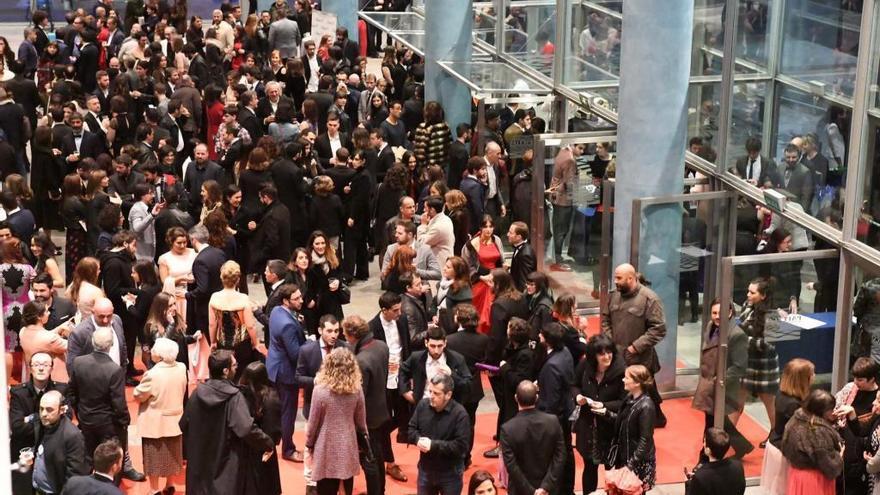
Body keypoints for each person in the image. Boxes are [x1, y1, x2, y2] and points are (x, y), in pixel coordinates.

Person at [180, 350, 275, 495]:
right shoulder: (234, 398)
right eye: (235, 365)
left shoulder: (196, 394)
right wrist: (268, 443)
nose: (237, 368)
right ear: (225, 371)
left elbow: (184, 425)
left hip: (199, 465)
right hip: (225, 467)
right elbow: (246, 429)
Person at [67, 327, 142, 480]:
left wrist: (79, 412)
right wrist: (124, 421)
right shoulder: (114, 370)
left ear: (92, 342)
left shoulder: (78, 362)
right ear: (111, 344)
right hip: (108, 424)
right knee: (111, 461)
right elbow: (118, 402)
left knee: (87, 457)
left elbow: (72, 392)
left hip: (86, 418)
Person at [601, 263, 667, 426]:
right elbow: (605, 319)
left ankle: (653, 419)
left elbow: (658, 329)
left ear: (631, 278)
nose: (615, 281)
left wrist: (635, 347)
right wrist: (612, 340)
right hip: (617, 354)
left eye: (619, 278)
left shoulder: (649, 299)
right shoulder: (613, 296)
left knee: (644, 392)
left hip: (640, 358)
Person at [692, 298, 753, 459]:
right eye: (714, 313)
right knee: (713, 419)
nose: (717, 316)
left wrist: (719, 381)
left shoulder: (737, 335)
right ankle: (740, 447)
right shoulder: (711, 326)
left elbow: (739, 366)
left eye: (721, 312)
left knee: (713, 421)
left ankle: (706, 453)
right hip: (709, 383)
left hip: (721, 385)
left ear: (731, 312)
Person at [305, 348, 369, 495]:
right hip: (348, 446)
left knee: (325, 489)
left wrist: (309, 444)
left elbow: (313, 423)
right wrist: (365, 442)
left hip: (325, 448)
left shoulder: (320, 390)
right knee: (346, 488)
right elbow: (361, 422)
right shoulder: (356, 390)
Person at [572, 334, 627, 493]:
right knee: (589, 467)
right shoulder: (585, 365)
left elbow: (623, 402)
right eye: (601, 353)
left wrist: (603, 405)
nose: (606, 356)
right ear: (593, 355)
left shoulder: (621, 370)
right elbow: (573, 385)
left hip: (610, 428)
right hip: (588, 427)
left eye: (609, 352)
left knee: (612, 470)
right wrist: (578, 397)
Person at [133, 338, 187, 495]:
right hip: (175, 419)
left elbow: (138, 395)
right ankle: (170, 485)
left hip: (155, 423)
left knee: (153, 458)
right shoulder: (181, 367)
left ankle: (154, 489)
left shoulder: (153, 374)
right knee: (172, 455)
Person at [342, 314, 388, 495]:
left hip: (367, 418)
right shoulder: (382, 346)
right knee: (378, 456)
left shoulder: (360, 361)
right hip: (382, 409)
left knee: (369, 460)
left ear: (353, 335)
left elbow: (358, 395)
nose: (345, 339)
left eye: (346, 335)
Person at [10, 352, 69, 494]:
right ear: (30, 368)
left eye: (45, 365)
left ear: (51, 368)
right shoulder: (19, 393)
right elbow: (17, 427)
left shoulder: (61, 390)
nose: (41, 368)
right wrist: (51, 417)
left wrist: (30, 418)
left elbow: (68, 419)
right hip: (24, 451)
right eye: (37, 365)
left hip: (52, 451)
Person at [407, 373, 471, 495]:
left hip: (450, 473)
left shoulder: (460, 414)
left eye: (436, 393)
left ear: (448, 395)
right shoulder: (422, 405)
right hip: (426, 469)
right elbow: (411, 429)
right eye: (430, 391)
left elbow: (461, 447)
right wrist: (417, 440)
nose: (431, 396)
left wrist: (433, 445)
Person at [500, 380, 566, 495]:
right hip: (549, 490)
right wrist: (546, 486)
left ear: (516, 398)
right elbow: (560, 456)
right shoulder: (553, 421)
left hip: (520, 491)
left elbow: (511, 466)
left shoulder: (507, 429)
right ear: (536, 398)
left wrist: (531, 491)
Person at [761, 358, 814, 495]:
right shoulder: (793, 405)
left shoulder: (783, 394)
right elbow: (800, 435)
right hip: (783, 450)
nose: (814, 376)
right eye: (812, 373)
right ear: (803, 379)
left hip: (777, 444)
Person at [601, 364, 657, 492]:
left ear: (637, 383)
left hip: (637, 462)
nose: (623, 380)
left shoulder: (646, 406)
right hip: (625, 457)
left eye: (627, 378)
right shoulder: (629, 398)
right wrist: (606, 413)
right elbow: (624, 421)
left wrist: (630, 465)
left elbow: (645, 440)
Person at [266, 283, 306, 462]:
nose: (301, 300)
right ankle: (288, 449)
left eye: (300, 296)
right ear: (285, 301)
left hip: (274, 365)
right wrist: (310, 346)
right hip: (286, 372)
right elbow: (296, 354)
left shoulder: (276, 311)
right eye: (296, 299)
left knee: (280, 408)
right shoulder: (288, 325)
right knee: (288, 412)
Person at [445, 304, 489, 466]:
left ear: (458, 319)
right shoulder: (483, 339)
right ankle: (466, 457)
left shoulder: (449, 340)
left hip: (455, 386)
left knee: (452, 422)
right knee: (469, 423)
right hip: (473, 388)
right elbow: (484, 360)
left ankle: (453, 456)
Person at [739, 277, 780, 447]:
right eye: (748, 291)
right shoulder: (747, 307)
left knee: (769, 404)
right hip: (748, 363)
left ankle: (776, 434)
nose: (748, 295)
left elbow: (770, 345)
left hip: (765, 366)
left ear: (763, 296)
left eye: (752, 292)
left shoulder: (773, 316)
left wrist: (743, 340)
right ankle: (726, 436)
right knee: (737, 401)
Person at [209, 261, 265, 380]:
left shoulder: (214, 297)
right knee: (241, 375)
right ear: (238, 279)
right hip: (242, 345)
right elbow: (250, 326)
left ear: (222, 278)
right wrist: (256, 343)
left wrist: (213, 342)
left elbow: (212, 324)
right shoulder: (243, 298)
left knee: (224, 373)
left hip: (222, 343)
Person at [781, 389, 844, 494]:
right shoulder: (818, 431)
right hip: (815, 480)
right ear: (822, 410)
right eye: (830, 409)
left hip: (797, 475)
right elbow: (830, 467)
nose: (832, 411)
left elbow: (785, 448)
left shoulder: (795, 419)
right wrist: (840, 456)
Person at [834, 357, 880, 495]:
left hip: (862, 456)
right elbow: (835, 407)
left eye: (860, 380)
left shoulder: (878, 399)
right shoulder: (850, 389)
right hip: (844, 449)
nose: (855, 382)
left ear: (872, 379)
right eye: (854, 378)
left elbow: (865, 430)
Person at [238, 362, 283, 495]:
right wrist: (270, 444)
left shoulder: (239, 395)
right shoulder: (271, 397)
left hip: (244, 448)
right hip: (264, 449)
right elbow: (274, 429)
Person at [32, 390, 87, 494]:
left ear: (61, 410)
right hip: (37, 489)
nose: (43, 414)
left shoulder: (72, 435)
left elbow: (74, 477)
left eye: (49, 410)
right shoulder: (42, 424)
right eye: (41, 409)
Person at [296, 315, 347, 418]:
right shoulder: (306, 351)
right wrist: (316, 381)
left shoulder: (346, 348)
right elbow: (298, 378)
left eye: (336, 331)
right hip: (314, 406)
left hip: (339, 407)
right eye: (329, 331)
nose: (334, 335)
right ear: (320, 330)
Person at [462, 215, 504, 333]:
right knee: (480, 312)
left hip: (495, 281)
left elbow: (501, 261)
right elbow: (466, 266)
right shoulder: (471, 244)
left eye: (491, 226)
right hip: (479, 281)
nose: (488, 229)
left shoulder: (497, 240)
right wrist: (481, 277)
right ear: (480, 228)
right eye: (485, 226)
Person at [0, 237, 36, 352]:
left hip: (5, 313)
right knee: (26, 348)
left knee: (9, 349)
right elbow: (37, 285)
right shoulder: (28, 269)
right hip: (26, 312)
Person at [685, 428, 746, 495]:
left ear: (708, 450)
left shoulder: (700, 477)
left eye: (704, 441)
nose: (703, 444)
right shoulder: (738, 466)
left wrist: (689, 483)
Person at [19, 302, 69, 383]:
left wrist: (58, 328)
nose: (49, 313)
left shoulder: (23, 331)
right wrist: (73, 332)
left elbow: (42, 337)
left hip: (34, 377)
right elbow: (72, 345)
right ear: (39, 316)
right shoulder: (51, 339)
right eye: (46, 311)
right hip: (54, 381)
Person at [417, 195, 454, 269]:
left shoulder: (438, 227)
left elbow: (421, 243)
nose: (424, 210)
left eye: (425, 208)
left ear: (432, 210)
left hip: (439, 265)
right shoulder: (446, 219)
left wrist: (423, 225)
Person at [507, 221, 536, 292]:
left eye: (511, 233)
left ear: (519, 237)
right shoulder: (519, 247)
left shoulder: (525, 255)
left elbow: (524, 282)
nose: (508, 234)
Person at [525, 272, 553, 339]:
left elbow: (546, 329)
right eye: (527, 283)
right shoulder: (527, 295)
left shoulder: (545, 306)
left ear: (540, 286)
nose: (528, 287)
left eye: (532, 285)